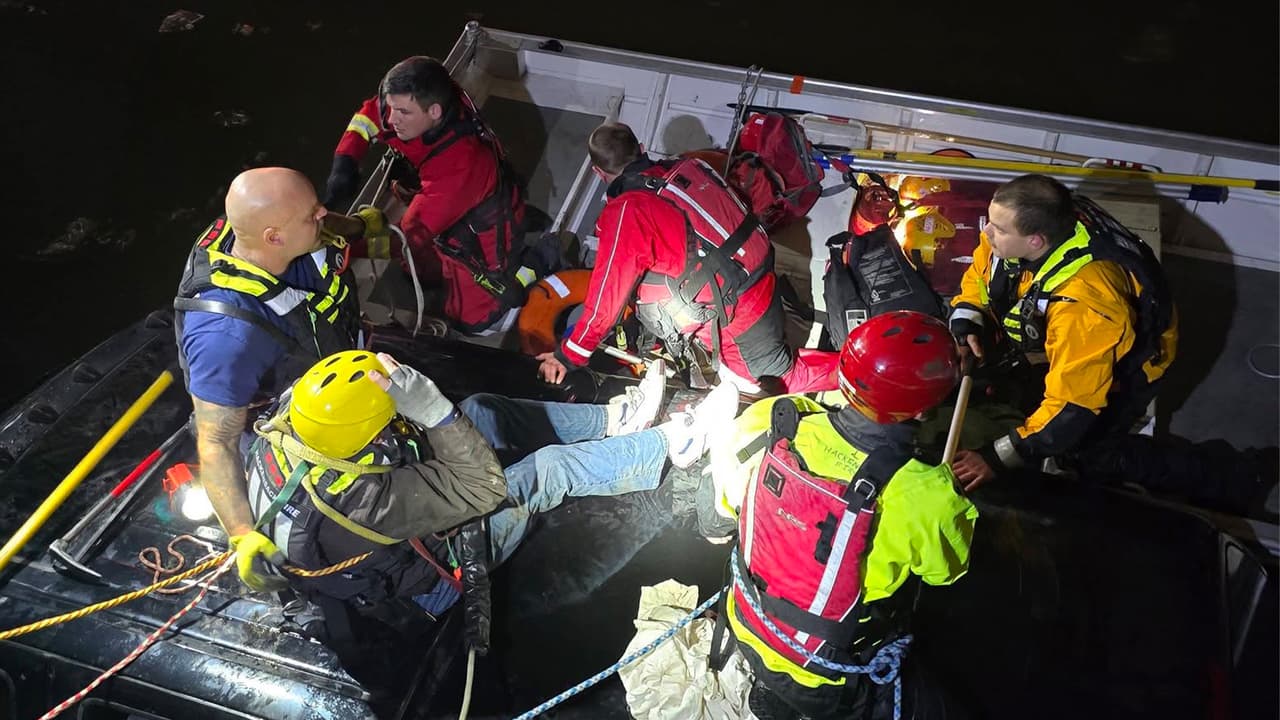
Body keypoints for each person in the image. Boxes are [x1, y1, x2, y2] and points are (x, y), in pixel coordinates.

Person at [234, 349, 741, 653]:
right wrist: (434, 411)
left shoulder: (282, 433)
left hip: (400, 528)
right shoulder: (362, 502)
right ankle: (671, 444)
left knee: (480, 411)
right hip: (438, 572)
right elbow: (486, 488)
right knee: (544, 471)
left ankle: (613, 421)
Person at [947, 173, 1275, 516]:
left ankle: (1236, 476)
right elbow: (985, 270)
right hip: (1080, 334)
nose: (987, 231)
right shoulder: (1028, 228)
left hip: (1134, 359)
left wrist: (997, 457)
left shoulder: (1085, 302)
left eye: (999, 229)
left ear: (1035, 241)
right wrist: (968, 314)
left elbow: (1073, 405)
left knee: (1093, 451)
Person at [702, 311, 977, 720]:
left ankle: (773, 695)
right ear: (923, 411)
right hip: (825, 673)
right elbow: (946, 573)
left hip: (747, 619)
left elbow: (726, 505)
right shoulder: (930, 495)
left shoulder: (773, 421)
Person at [536, 121, 837, 395]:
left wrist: (568, 356)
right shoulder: (691, 166)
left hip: (740, 308)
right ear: (641, 148)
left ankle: (856, 373)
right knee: (764, 362)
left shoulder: (626, 211)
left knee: (776, 379)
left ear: (597, 172)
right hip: (758, 271)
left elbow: (606, 299)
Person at [174, 167, 382, 556]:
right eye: (312, 215)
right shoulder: (227, 337)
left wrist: (359, 227)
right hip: (288, 423)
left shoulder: (256, 228)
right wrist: (241, 533)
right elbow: (217, 441)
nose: (323, 215)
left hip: (340, 367)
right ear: (274, 237)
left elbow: (324, 222)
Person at [324, 55, 536, 335]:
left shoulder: (458, 166)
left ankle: (529, 264)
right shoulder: (416, 100)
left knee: (474, 318)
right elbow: (369, 116)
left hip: (481, 225)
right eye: (391, 107)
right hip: (438, 196)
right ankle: (432, 265)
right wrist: (345, 161)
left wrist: (345, 243)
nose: (391, 119)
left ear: (434, 112)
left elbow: (407, 238)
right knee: (417, 265)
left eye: (403, 112)